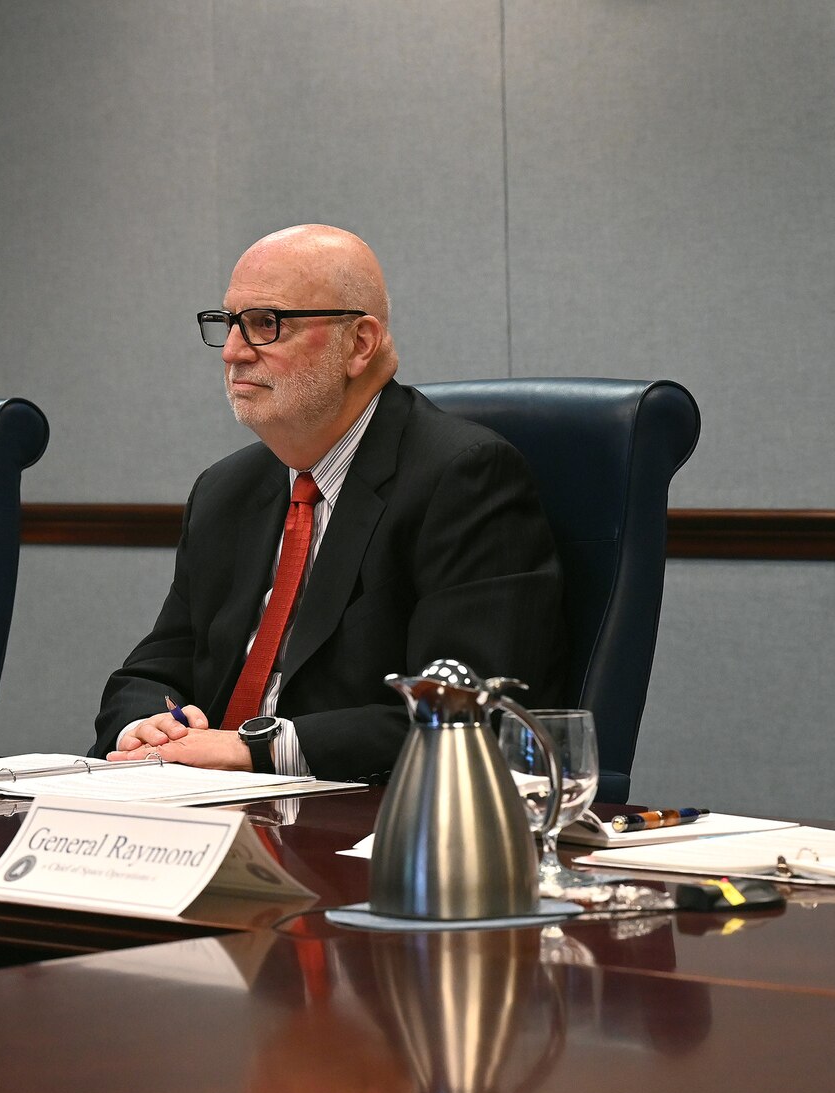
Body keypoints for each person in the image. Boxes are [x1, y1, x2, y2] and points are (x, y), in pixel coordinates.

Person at [90, 225, 565, 781]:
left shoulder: (461, 477)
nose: (234, 352)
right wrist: (146, 724)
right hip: (203, 810)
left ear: (359, 344)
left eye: (267, 324)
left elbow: (469, 712)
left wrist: (257, 750)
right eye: (228, 324)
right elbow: (151, 670)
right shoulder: (226, 489)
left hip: (364, 822)